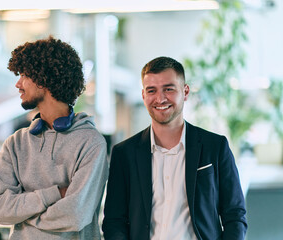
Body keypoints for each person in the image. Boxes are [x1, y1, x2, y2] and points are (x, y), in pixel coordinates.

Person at [102, 56, 247, 240]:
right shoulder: (124, 154)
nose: (160, 98)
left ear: (185, 92)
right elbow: (114, 221)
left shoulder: (215, 147)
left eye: (168, 89)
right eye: (151, 90)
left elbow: (235, 214)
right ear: (143, 95)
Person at [0, 36, 108, 240]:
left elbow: (74, 214)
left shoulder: (90, 143)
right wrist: (55, 194)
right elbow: (0, 210)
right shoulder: (15, 144)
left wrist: (25, 218)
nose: (18, 84)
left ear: (44, 79)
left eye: (24, 75)